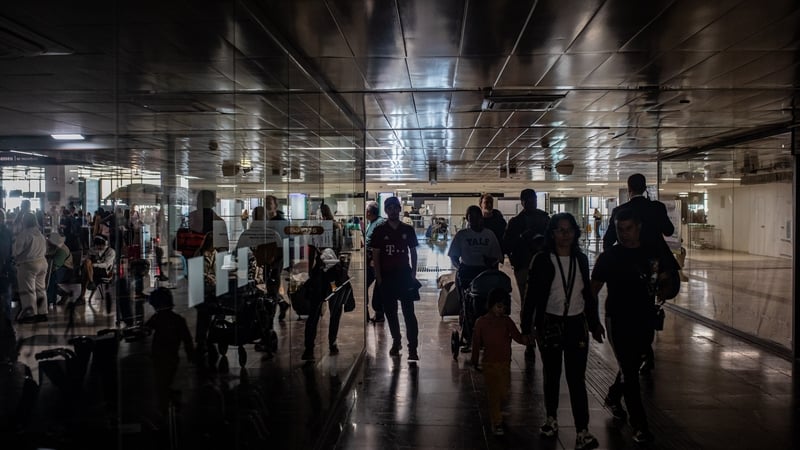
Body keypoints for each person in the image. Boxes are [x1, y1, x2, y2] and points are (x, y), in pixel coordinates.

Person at [590, 208, 678, 445]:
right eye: (619, 229)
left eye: (628, 228)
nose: (623, 234)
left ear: (638, 228)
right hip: (618, 319)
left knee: (633, 362)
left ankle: (613, 395)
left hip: (644, 318)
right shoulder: (610, 257)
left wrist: (663, 289)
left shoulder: (651, 253)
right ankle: (640, 425)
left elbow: (666, 278)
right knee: (630, 372)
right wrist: (593, 321)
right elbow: (593, 290)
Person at [520, 213, 604, 450]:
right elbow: (531, 295)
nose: (565, 235)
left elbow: (587, 295)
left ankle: (582, 430)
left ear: (576, 233)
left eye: (569, 230)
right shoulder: (542, 260)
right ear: (552, 233)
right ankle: (551, 418)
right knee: (552, 374)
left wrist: (594, 323)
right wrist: (526, 327)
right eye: (560, 230)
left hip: (576, 324)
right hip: (550, 323)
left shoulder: (580, 259)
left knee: (577, 378)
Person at [602, 173, 676, 373]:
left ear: (629, 189)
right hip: (654, 265)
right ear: (645, 188)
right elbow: (669, 231)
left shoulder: (620, 211)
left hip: (629, 267)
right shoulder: (657, 208)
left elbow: (608, 240)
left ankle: (640, 352)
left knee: (630, 306)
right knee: (647, 304)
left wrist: (614, 260)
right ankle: (645, 349)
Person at [470, 288, 530, 436]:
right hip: (489, 364)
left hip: (504, 363)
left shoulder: (506, 321)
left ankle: (497, 414)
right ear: (491, 305)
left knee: (503, 392)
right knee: (494, 394)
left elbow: (517, 336)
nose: (501, 310)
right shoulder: (481, 323)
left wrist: (527, 340)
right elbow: (476, 343)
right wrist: (474, 360)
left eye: (503, 307)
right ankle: (496, 422)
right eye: (499, 306)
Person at [502, 188, 549, 360]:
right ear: (522, 202)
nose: (532, 203)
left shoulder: (522, 221)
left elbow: (507, 244)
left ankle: (534, 337)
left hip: (534, 266)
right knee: (531, 302)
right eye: (529, 200)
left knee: (534, 302)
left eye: (533, 199)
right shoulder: (540, 219)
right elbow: (507, 244)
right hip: (527, 266)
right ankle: (532, 337)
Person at [448, 205, 503, 352]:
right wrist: (459, 267)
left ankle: (486, 333)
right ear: (467, 219)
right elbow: (453, 256)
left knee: (485, 304)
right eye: (471, 218)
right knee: (466, 304)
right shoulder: (462, 235)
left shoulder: (489, 235)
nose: (474, 221)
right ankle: (468, 334)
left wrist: (491, 264)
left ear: (481, 218)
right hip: (467, 272)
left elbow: (497, 256)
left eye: (477, 217)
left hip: (484, 273)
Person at [371, 196, 420, 361]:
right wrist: (379, 277)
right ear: (386, 211)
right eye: (389, 208)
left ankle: (412, 347)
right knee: (390, 313)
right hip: (387, 276)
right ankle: (396, 340)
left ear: (399, 209)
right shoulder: (379, 230)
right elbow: (376, 254)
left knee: (409, 313)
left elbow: (413, 251)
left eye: (395, 207)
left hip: (404, 275)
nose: (392, 211)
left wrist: (413, 274)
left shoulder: (407, 229)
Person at [145, 287, 194, 413]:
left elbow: (146, 329)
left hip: (158, 355)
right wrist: (191, 355)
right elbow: (187, 340)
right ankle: (171, 398)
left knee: (161, 381)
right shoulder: (178, 320)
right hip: (172, 355)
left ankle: (166, 403)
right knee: (167, 379)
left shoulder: (157, 318)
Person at [13, 212, 48, 323]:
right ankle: (43, 313)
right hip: (42, 263)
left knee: (28, 291)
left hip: (28, 264)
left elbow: (16, 251)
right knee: (40, 289)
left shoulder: (24, 234)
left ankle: (30, 315)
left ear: (24, 221)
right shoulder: (40, 234)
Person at [264, 195, 291, 319]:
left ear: (275, 205)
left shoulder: (281, 222)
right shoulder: (266, 221)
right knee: (270, 286)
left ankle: (271, 315)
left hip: (276, 258)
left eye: (270, 203)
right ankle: (282, 303)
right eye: (266, 202)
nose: (267, 205)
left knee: (272, 284)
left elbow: (285, 242)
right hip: (267, 257)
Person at [78, 235, 116, 303]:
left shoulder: (111, 251)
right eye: (97, 245)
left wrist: (94, 265)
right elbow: (85, 260)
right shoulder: (92, 250)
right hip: (92, 270)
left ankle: (82, 296)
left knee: (85, 272)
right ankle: (91, 282)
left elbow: (106, 265)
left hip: (104, 271)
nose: (99, 247)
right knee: (87, 263)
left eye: (101, 245)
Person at [364, 201, 385, 323]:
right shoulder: (371, 223)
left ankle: (379, 312)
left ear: (369, 212)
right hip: (370, 258)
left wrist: (374, 260)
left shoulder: (379, 223)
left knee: (378, 286)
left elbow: (380, 244)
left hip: (375, 260)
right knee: (366, 284)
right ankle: (370, 311)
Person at [46, 232, 74, 306]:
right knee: (48, 276)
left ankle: (49, 299)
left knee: (50, 277)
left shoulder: (62, 249)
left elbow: (55, 265)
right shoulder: (53, 247)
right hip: (58, 268)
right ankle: (60, 295)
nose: (47, 241)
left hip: (65, 270)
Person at [0, 209, 15, 334]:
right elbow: (10, 251)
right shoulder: (8, 232)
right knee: (6, 297)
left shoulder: (6, 232)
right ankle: (7, 324)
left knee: (6, 297)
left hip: (4, 269)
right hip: (6, 269)